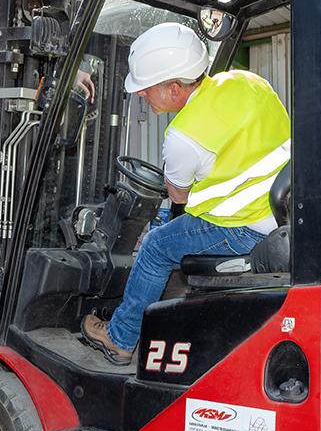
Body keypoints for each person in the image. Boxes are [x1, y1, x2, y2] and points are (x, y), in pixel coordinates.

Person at [82, 22, 292, 364]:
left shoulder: (182, 137)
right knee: (168, 225)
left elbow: (178, 196)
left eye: (146, 88)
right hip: (278, 212)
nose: (140, 94)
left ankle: (120, 338)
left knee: (155, 246)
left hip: (242, 228)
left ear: (174, 88)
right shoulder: (248, 82)